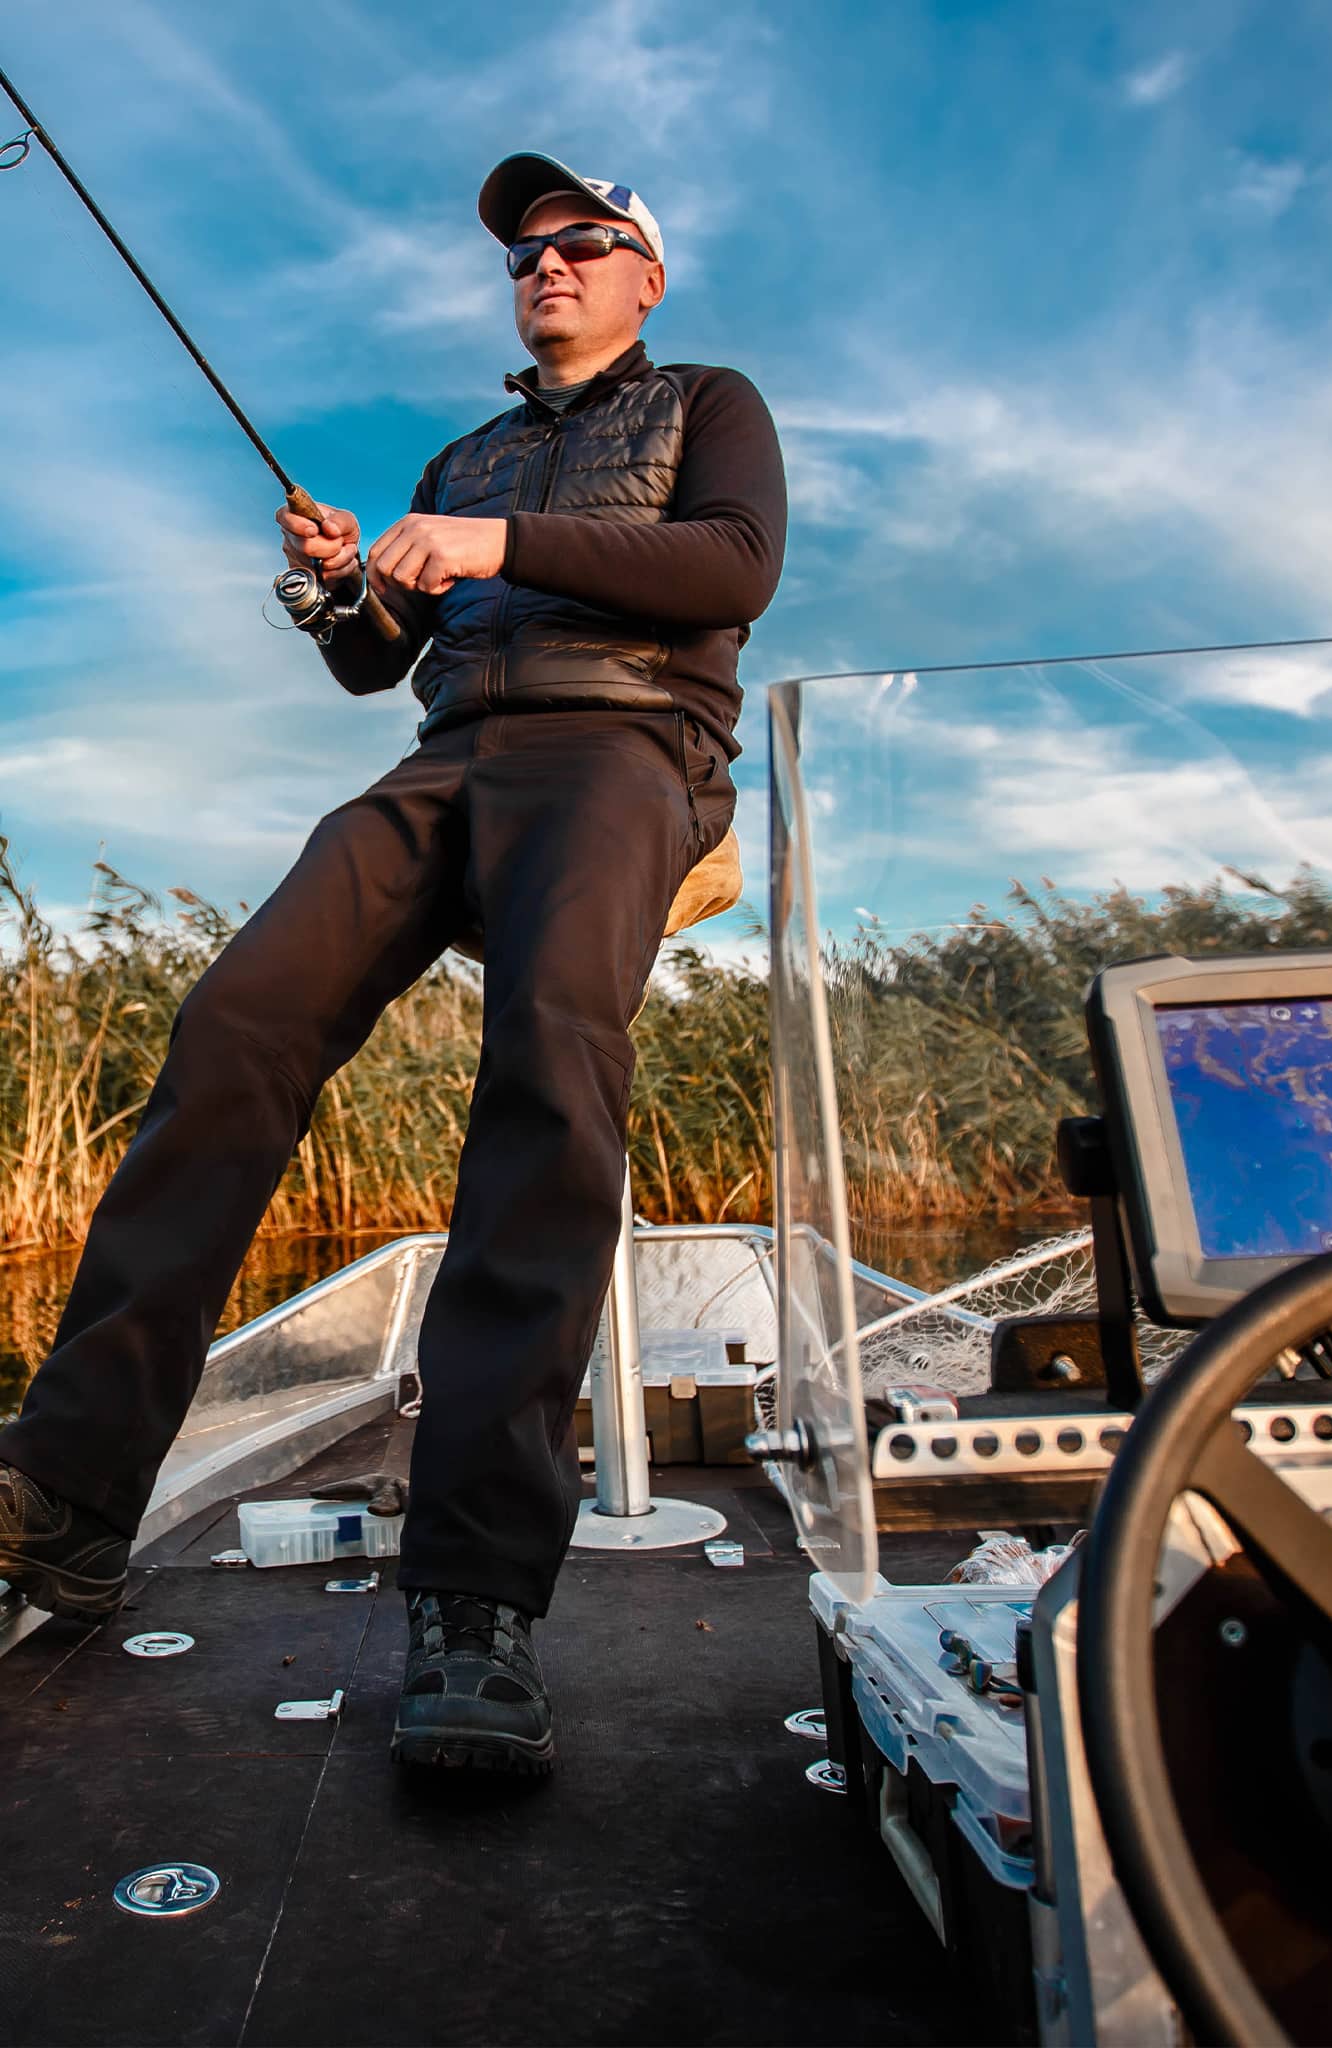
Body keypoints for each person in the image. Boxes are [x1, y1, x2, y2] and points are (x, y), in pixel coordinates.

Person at [0, 153, 787, 1776]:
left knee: (548, 1070)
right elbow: (379, 667)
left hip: (627, 748)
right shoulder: (469, 449)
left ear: (648, 274)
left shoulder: (711, 401)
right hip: (442, 765)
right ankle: (69, 1501)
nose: (545, 265)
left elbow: (730, 571)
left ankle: (475, 1598)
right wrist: (337, 583)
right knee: (236, 1026)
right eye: (526, 253)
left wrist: (492, 539)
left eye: (582, 243)